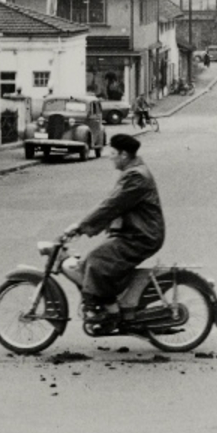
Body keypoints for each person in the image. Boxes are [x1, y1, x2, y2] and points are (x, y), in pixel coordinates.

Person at [65, 134, 165, 330]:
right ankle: (107, 305)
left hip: (142, 235)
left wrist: (80, 226)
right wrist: (86, 227)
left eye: (112, 152)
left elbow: (111, 206)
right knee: (89, 262)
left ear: (124, 155)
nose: (109, 156)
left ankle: (112, 313)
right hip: (134, 232)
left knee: (97, 260)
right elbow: (113, 205)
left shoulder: (137, 177)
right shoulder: (133, 172)